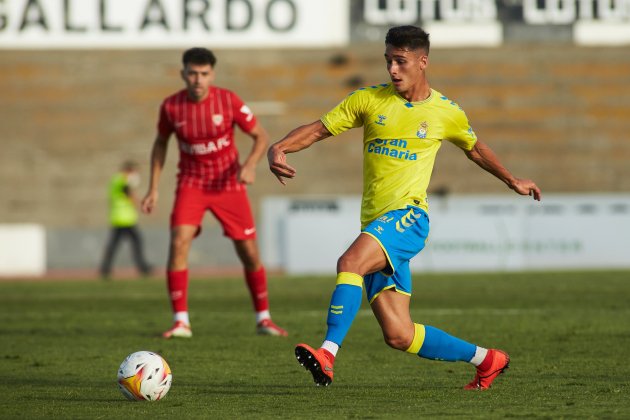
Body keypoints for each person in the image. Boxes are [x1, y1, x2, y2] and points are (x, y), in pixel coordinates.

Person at [268, 25, 541, 389]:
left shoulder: (446, 111)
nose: (392, 70)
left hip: (409, 218)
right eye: (388, 61)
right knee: (399, 334)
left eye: (401, 61)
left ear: (422, 61)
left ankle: (328, 353)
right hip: (377, 224)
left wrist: (512, 180)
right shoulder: (368, 100)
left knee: (349, 263)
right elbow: (319, 129)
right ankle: (487, 359)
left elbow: (474, 148)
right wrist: (279, 147)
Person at [141, 47, 287, 339]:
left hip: (228, 184)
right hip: (191, 184)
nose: (198, 79)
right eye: (192, 73)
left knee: (248, 252)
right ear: (183, 74)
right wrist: (153, 188)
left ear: (212, 75)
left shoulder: (228, 100)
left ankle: (264, 318)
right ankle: (181, 321)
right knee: (179, 241)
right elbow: (160, 144)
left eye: (204, 74)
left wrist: (250, 165)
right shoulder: (171, 107)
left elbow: (261, 136)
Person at [100, 160, 152, 279]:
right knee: (136, 242)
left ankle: (105, 268)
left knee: (114, 245)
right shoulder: (122, 180)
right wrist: (142, 204)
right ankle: (142, 267)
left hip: (119, 217)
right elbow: (129, 194)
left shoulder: (115, 179)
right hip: (124, 218)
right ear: (129, 171)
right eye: (135, 172)